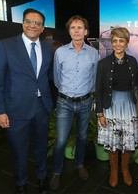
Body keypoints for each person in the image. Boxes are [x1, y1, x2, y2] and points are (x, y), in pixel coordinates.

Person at [0, 8, 54, 194]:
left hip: (42, 106)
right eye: (29, 21)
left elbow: (49, 76)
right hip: (15, 109)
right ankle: (21, 182)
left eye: (37, 23)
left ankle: (42, 178)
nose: (33, 25)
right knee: (19, 150)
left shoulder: (48, 48)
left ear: (42, 28)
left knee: (42, 146)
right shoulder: (5, 45)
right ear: (23, 23)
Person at [49, 15, 99, 190]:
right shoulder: (60, 52)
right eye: (73, 27)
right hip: (65, 102)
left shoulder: (94, 53)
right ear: (69, 31)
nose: (76, 30)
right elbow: (56, 79)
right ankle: (56, 171)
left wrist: (89, 96)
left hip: (85, 102)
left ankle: (79, 164)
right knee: (61, 140)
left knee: (83, 137)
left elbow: (95, 79)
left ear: (86, 32)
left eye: (80, 27)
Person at [95, 27, 138, 187]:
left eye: (121, 40)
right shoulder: (103, 64)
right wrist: (100, 113)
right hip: (110, 106)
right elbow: (98, 90)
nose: (118, 44)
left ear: (127, 42)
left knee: (127, 141)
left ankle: (125, 169)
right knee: (112, 141)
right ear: (111, 43)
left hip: (128, 106)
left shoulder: (133, 61)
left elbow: (137, 85)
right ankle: (114, 170)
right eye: (115, 41)